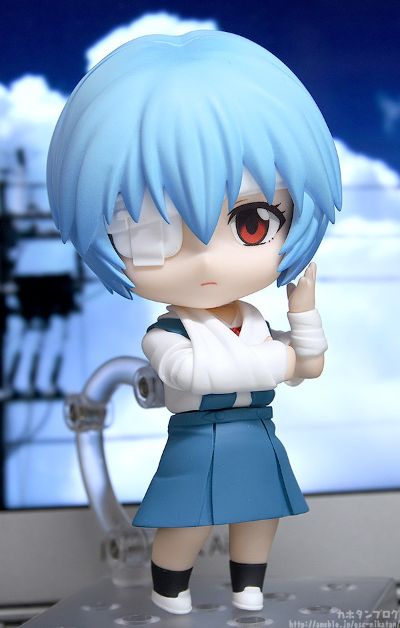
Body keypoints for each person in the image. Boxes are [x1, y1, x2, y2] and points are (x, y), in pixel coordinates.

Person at [47, 30, 342, 615]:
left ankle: (248, 586)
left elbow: (310, 365)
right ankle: (169, 589)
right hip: (197, 439)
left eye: (252, 223)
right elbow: (195, 374)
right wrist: (282, 359)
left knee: (260, 511)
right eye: (150, 232)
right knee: (186, 518)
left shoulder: (254, 321)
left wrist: (302, 313)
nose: (206, 259)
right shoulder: (166, 335)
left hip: (256, 432)